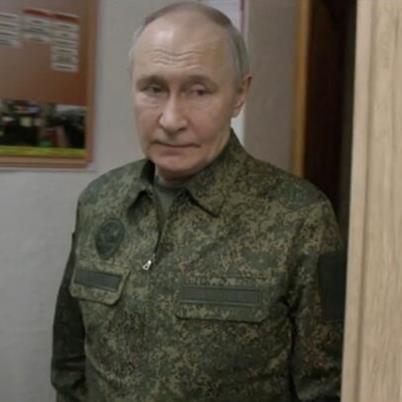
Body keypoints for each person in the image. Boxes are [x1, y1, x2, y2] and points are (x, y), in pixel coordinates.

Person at [51, 2, 345, 401]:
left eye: (199, 90)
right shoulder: (100, 202)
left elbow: (327, 386)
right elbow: (70, 363)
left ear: (239, 94)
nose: (171, 119)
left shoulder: (300, 218)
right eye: (154, 89)